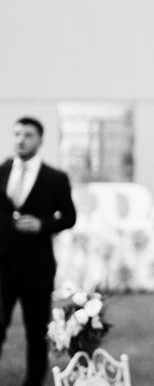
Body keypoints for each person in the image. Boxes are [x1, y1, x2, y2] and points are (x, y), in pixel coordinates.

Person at [0, 116, 76, 386]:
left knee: (36, 331)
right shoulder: (3, 170)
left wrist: (42, 225)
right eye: (17, 133)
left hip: (37, 267)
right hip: (3, 264)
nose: (21, 139)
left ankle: (33, 381)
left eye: (28, 134)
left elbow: (69, 217)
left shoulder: (55, 178)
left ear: (40, 140)